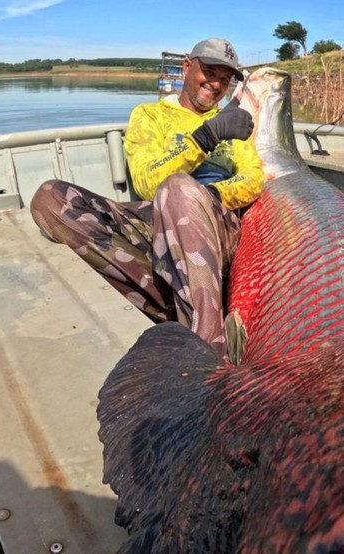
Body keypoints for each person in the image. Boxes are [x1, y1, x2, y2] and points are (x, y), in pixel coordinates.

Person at [30, 38, 264, 359]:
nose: (216, 84)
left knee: (179, 189)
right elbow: (146, 183)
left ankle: (210, 351)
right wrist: (205, 137)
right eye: (210, 72)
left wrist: (207, 195)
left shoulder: (234, 123)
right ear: (187, 66)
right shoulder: (150, 115)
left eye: (225, 79)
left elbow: (253, 180)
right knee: (50, 199)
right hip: (156, 217)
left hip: (218, 224)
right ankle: (178, 308)